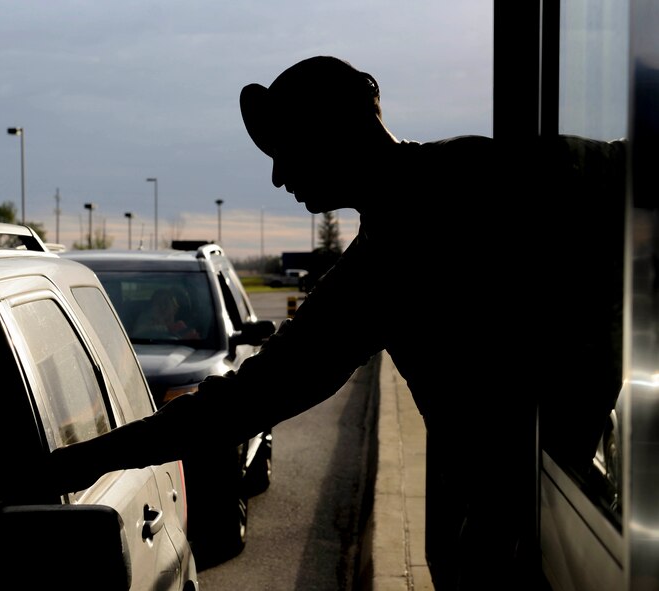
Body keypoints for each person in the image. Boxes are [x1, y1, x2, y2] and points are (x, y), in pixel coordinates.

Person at [46, 56, 625, 590]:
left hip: (528, 536)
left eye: (284, 148)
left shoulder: (409, 245)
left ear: (330, 131)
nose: (276, 177)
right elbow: (247, 399)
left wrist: (73, 463)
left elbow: (246, 401)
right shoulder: (435, 211)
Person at [132, 288, 200, 339]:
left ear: (175, 308)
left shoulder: (183, 330)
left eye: (166, 302)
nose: (163, 307)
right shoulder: (143, 327)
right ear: (152, 309)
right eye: (158, 303)